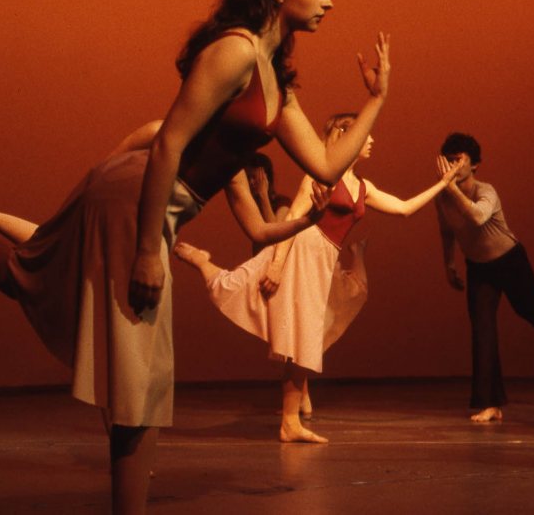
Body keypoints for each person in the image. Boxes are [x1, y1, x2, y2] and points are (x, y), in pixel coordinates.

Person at [0, 0, 391, 511]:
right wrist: (152, 251)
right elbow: (168, 139)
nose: (329, 0)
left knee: (121, 359)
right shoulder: (235, 50)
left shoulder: (273, 77)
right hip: (136, 199)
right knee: (138, 383)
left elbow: (324, 164)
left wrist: (377, 99)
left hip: (152, 207)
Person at [174, 113, 464, 443]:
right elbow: (294, 217)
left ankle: (290, 421)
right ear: (344, 136)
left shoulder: (362, 187)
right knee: (288, 329)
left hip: (323, 260)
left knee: (303, 340)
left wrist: (444, 184)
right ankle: (289, 422)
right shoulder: (323, 177)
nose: (370, 141)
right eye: (364, 134)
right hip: (301, 250)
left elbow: (404, 208)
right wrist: (278, 263)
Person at [436, 132, 534, 423]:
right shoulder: (442, 199)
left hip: (510, 260)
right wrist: (449, 264)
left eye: (459, 160)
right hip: (479, 268)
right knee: (482, 330)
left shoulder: (487, 191)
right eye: (449, 160)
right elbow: (447, 231)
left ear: (474, 165)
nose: (453, 166)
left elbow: (477, 217)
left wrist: (451, 188)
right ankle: (490, 403)